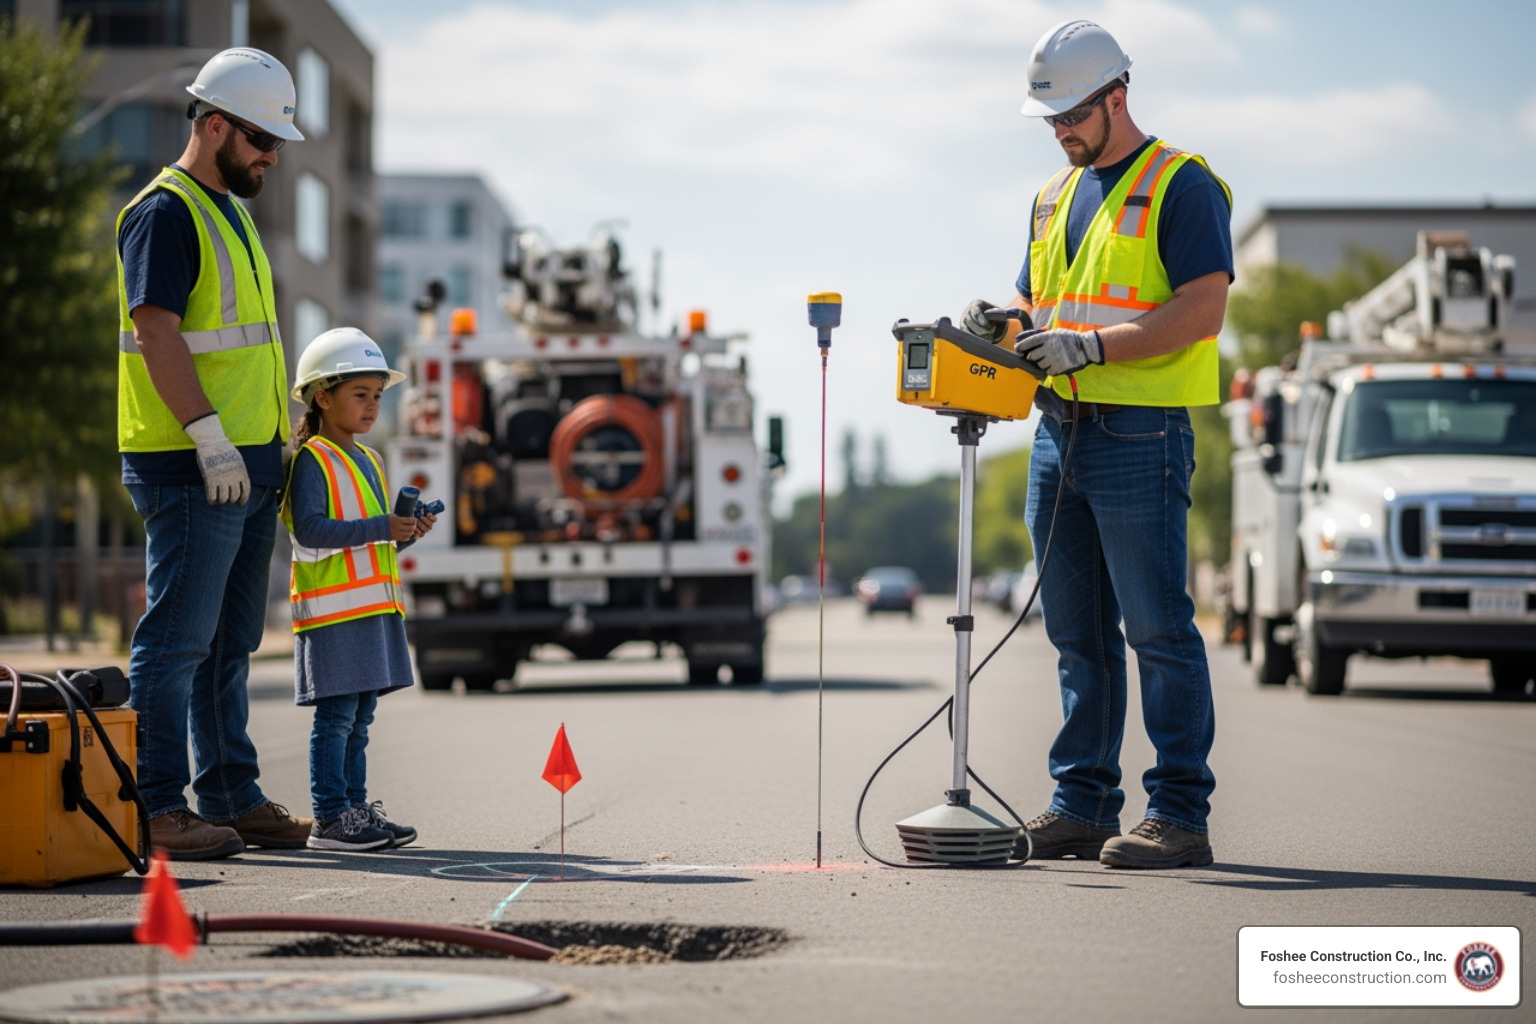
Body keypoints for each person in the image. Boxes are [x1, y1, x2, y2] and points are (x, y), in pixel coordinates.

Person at [963, 20, 1233, 869]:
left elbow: (1203, 307)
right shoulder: (1052, 194)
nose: (1061, 132)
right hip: (1058, 433)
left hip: (1139, 431)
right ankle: (1082, 803)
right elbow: (1038, 305)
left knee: (1157, 629)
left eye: (1072, 115)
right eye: (1050, 120)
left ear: (1117, 95)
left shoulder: (1182, 185)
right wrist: (1001, 324)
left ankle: (1180, 816)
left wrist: (1097, 346)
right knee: (1077, 633)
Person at [118, 48, 311, 859]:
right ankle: (157, 807)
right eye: (263, 141)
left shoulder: (229, 209)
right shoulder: (164, 212)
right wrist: (208, 436)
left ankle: (229, 792)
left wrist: (276, 438)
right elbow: (155, 330)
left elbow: (243, 345)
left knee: (230, 645)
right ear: (217, 125)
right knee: (176, 643)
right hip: (194, 464)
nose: (272, 156)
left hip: (249, 464)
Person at [281, 329, 434, 851]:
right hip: (331, 616)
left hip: (369, 611)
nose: (372, 407)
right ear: (323, 397)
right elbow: (312, 531)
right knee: (337, 718)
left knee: (360, 719)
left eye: (377, 396)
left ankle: (354, 811)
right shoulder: (313, 459)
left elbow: (371, 544)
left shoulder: (369, 459)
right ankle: (330, 820)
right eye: (360, 395)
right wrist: (382, 527)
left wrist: (403, 534)